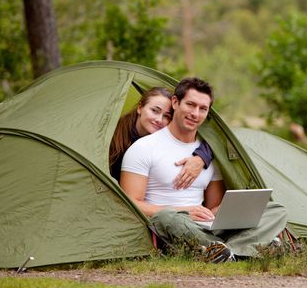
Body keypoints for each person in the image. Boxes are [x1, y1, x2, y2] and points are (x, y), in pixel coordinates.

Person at [120, 77, 287, 263]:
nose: (195, 113)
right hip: (174, 224)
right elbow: (131, 202)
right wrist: (183, 211)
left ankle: (224, 252)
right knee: (166, 217)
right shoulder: (144, 148)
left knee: (275, 209)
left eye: (202, 109)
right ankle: (244, 248)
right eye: (190, 105)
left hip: (206, 226)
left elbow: (211, 206)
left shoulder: (210, 154)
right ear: (175, 102)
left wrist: (221, 211)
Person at [109, 87, 213, 189]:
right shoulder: (113, 135)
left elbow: (214, 141)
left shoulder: (162, 142)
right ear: (140, 108)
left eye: (166, 116)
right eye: (155, 110)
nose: (159, 119)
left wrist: (202, 157)